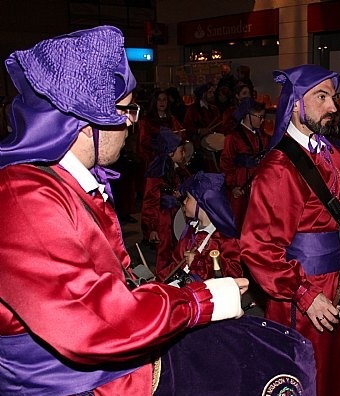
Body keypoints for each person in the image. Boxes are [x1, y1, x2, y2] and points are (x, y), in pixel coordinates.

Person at [0, 25, 281, 395]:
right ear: (86, 123)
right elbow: (90, 322)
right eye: (127, 109)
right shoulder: (23, 196)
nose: (132, 123)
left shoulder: (59, 183)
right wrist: (200, 301)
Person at [240, 64, 340, 396]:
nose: (333, 107)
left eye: (333, 97)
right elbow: (259, 249)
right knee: (307, 375)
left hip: (339, 282)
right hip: (302, 292)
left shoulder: (331, 155)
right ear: (296, 103)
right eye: (322, 97)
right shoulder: (278, 169)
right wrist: (304, 294)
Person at [155, 171, 243, 283]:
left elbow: (234, 273)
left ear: (203, 203)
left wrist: (198, 263)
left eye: (188, 197)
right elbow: (175, 263)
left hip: (208, 295)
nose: (184, 201)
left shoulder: (225, 237)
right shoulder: (190, 229)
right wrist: (158, 282)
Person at [140, 127, 191, 271]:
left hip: (177, 216)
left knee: (179, 249)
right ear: (170, 152)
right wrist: (151, 228)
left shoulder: (179, 169)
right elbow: (150, 201)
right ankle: (164, 280)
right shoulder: (157, 173)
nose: (184, 153)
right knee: (164, 252)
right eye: (181, 150)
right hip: (163, 220)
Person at [219, 97, 269, 228]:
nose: (262, 120)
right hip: (239, 186)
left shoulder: (262, 136)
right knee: (239, 221)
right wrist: (232, 186)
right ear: (248, 115)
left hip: (258, 186)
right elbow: (225, 164)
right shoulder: (233, 137)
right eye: (260, 117)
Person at [137, 89, 184, 172]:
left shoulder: (172, 119)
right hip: (154, 160)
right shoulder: (145, 121)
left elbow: (181, 133)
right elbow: (143, 141)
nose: (162, 102)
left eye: (164, 100)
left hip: (172, 159)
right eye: (159, 100)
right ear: (154, 101)